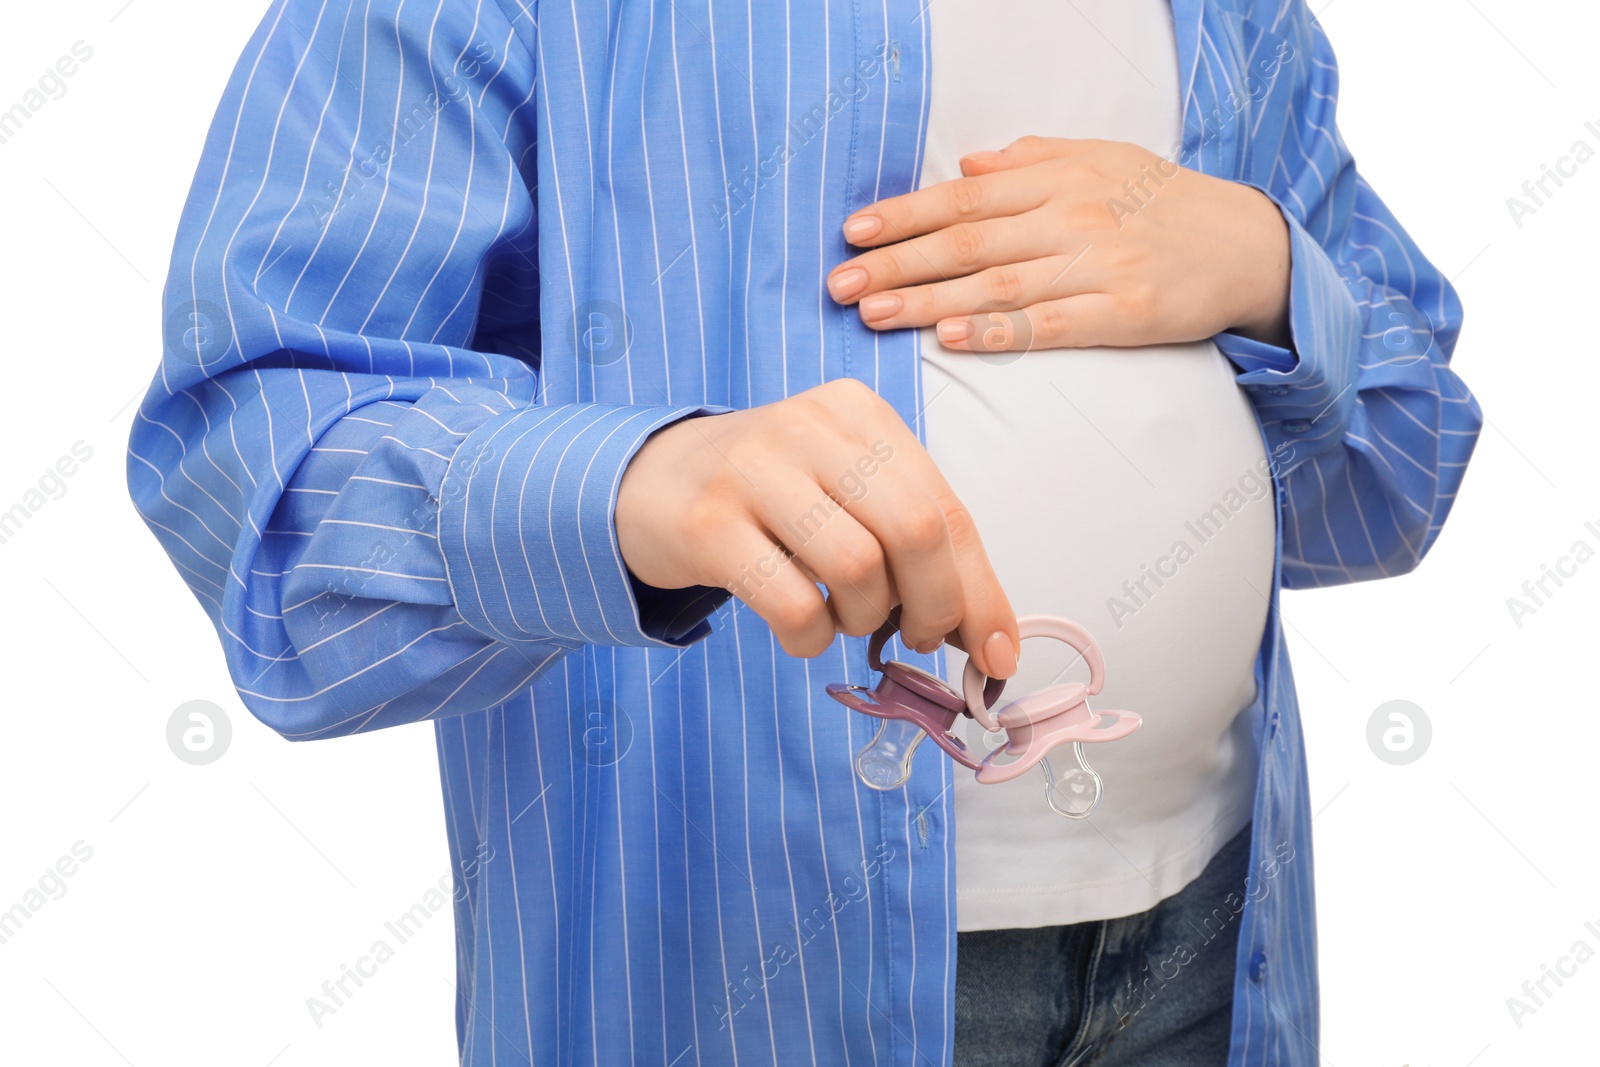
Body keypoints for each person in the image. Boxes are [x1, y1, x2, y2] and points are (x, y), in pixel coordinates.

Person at [128, 0, 1480, 1063]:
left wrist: (1266, 268)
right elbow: (260, 479)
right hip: (739, 986)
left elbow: (1408, 464)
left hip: (1217, 943)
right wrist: (632, 486)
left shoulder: (1238, 11)